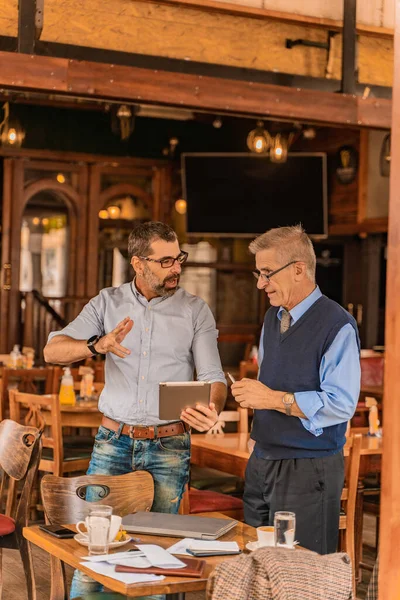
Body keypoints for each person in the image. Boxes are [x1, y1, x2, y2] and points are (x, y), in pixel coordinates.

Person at [44, 221, 227, 598]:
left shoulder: (196, 310)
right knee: (95, 547)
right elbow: (53, 351)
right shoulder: (106, 302)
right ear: (138, 263)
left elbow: (214, 377)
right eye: (165, 261)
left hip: (168, 448)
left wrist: (212, 407)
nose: (176, 268)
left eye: (178, 259)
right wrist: (97, 344)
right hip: (113, 442)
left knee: (154, 556)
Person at [231, 225, 360, 555]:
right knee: (256, 562)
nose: (261, 284)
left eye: (268, 274)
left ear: (299, 269)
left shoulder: (338, 324)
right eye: (259, 274)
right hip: (262, 460)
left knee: (302, 573)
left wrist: (271, 400)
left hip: (309, 466)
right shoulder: (272, 318)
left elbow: (341, 404)